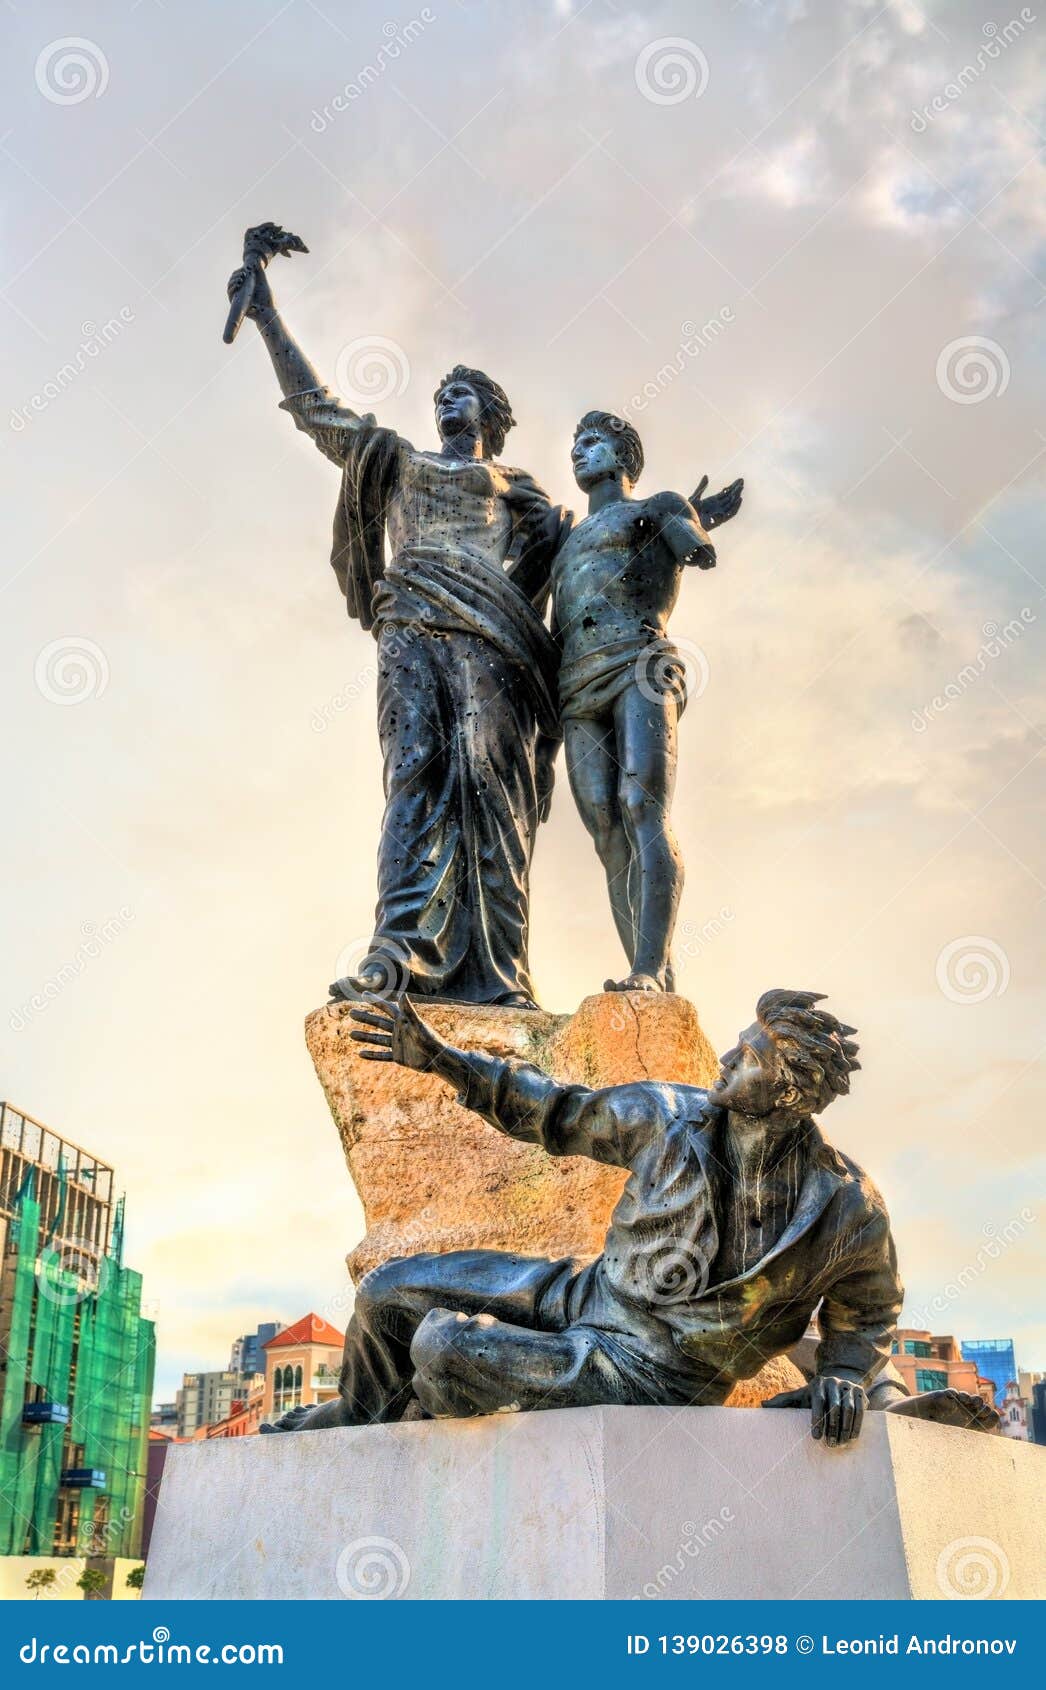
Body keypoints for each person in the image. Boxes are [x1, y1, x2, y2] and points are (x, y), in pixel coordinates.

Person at [266, 988, 929, 1448]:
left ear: (788, 1090)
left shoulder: (845, 1206)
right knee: (386, 1293)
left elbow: (869, 1307)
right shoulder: (670, 1115)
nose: (727, 1061)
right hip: (584, 1292)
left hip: (656, 1372)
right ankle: (357, 1414)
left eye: (750, 1057)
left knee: (444, 1348)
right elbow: (556, 1110)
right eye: (738, 1045)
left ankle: (439, 1397)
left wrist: (844, 1371)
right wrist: (444, 1059)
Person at [227, 228, 567, 1008]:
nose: (446, 401)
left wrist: (636, 532)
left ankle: (501, 972)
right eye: (441, 394)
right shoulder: (398, 460)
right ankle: (399, 954)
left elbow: (558, 565)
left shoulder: (517, 485)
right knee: (415, 775)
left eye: (462, 393)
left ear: (491, 413)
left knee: (491, 789)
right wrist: (268, 317)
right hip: (411, 624)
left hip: (492, 639)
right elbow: (319, 415)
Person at [550, 411, 742, 991]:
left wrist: (688, 519)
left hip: (641, 661)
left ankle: (648, 969)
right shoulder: (565, 539)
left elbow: (693, 547)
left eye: (593, 442)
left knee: (641, 804)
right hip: (576, 683)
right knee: (606, 831)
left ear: (624, 456)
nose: (579, 452)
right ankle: (651, 964)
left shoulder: (657, 505)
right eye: (575, 444)